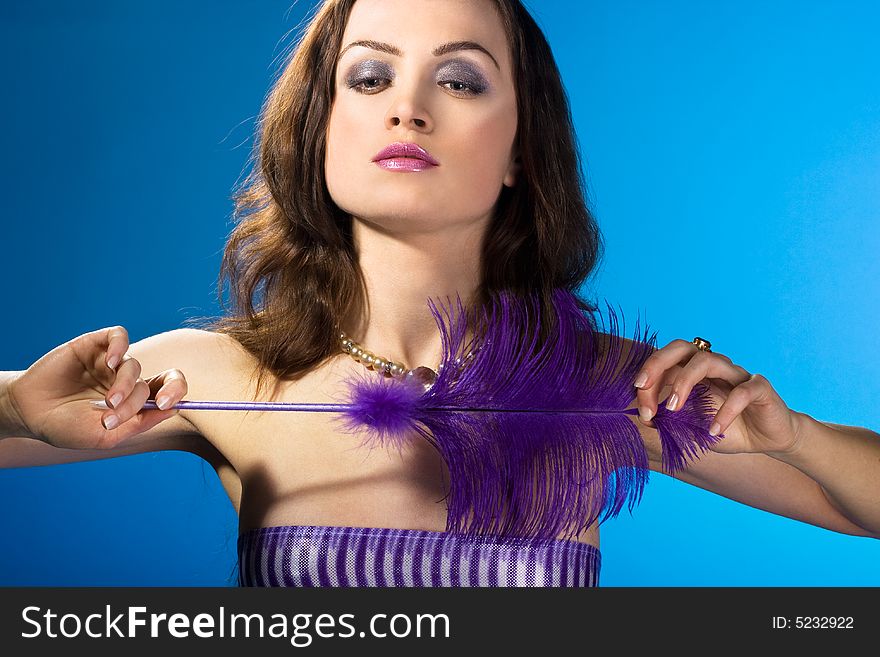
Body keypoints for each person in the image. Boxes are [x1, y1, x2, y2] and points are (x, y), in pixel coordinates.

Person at [1, 0, 878, 587]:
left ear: (520, 153)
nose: (407, 107)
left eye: (458, 80)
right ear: (321, 132)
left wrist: (795, 437)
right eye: (370, 77)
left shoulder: (614, 391)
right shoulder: (206, 375)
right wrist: (17, 405)